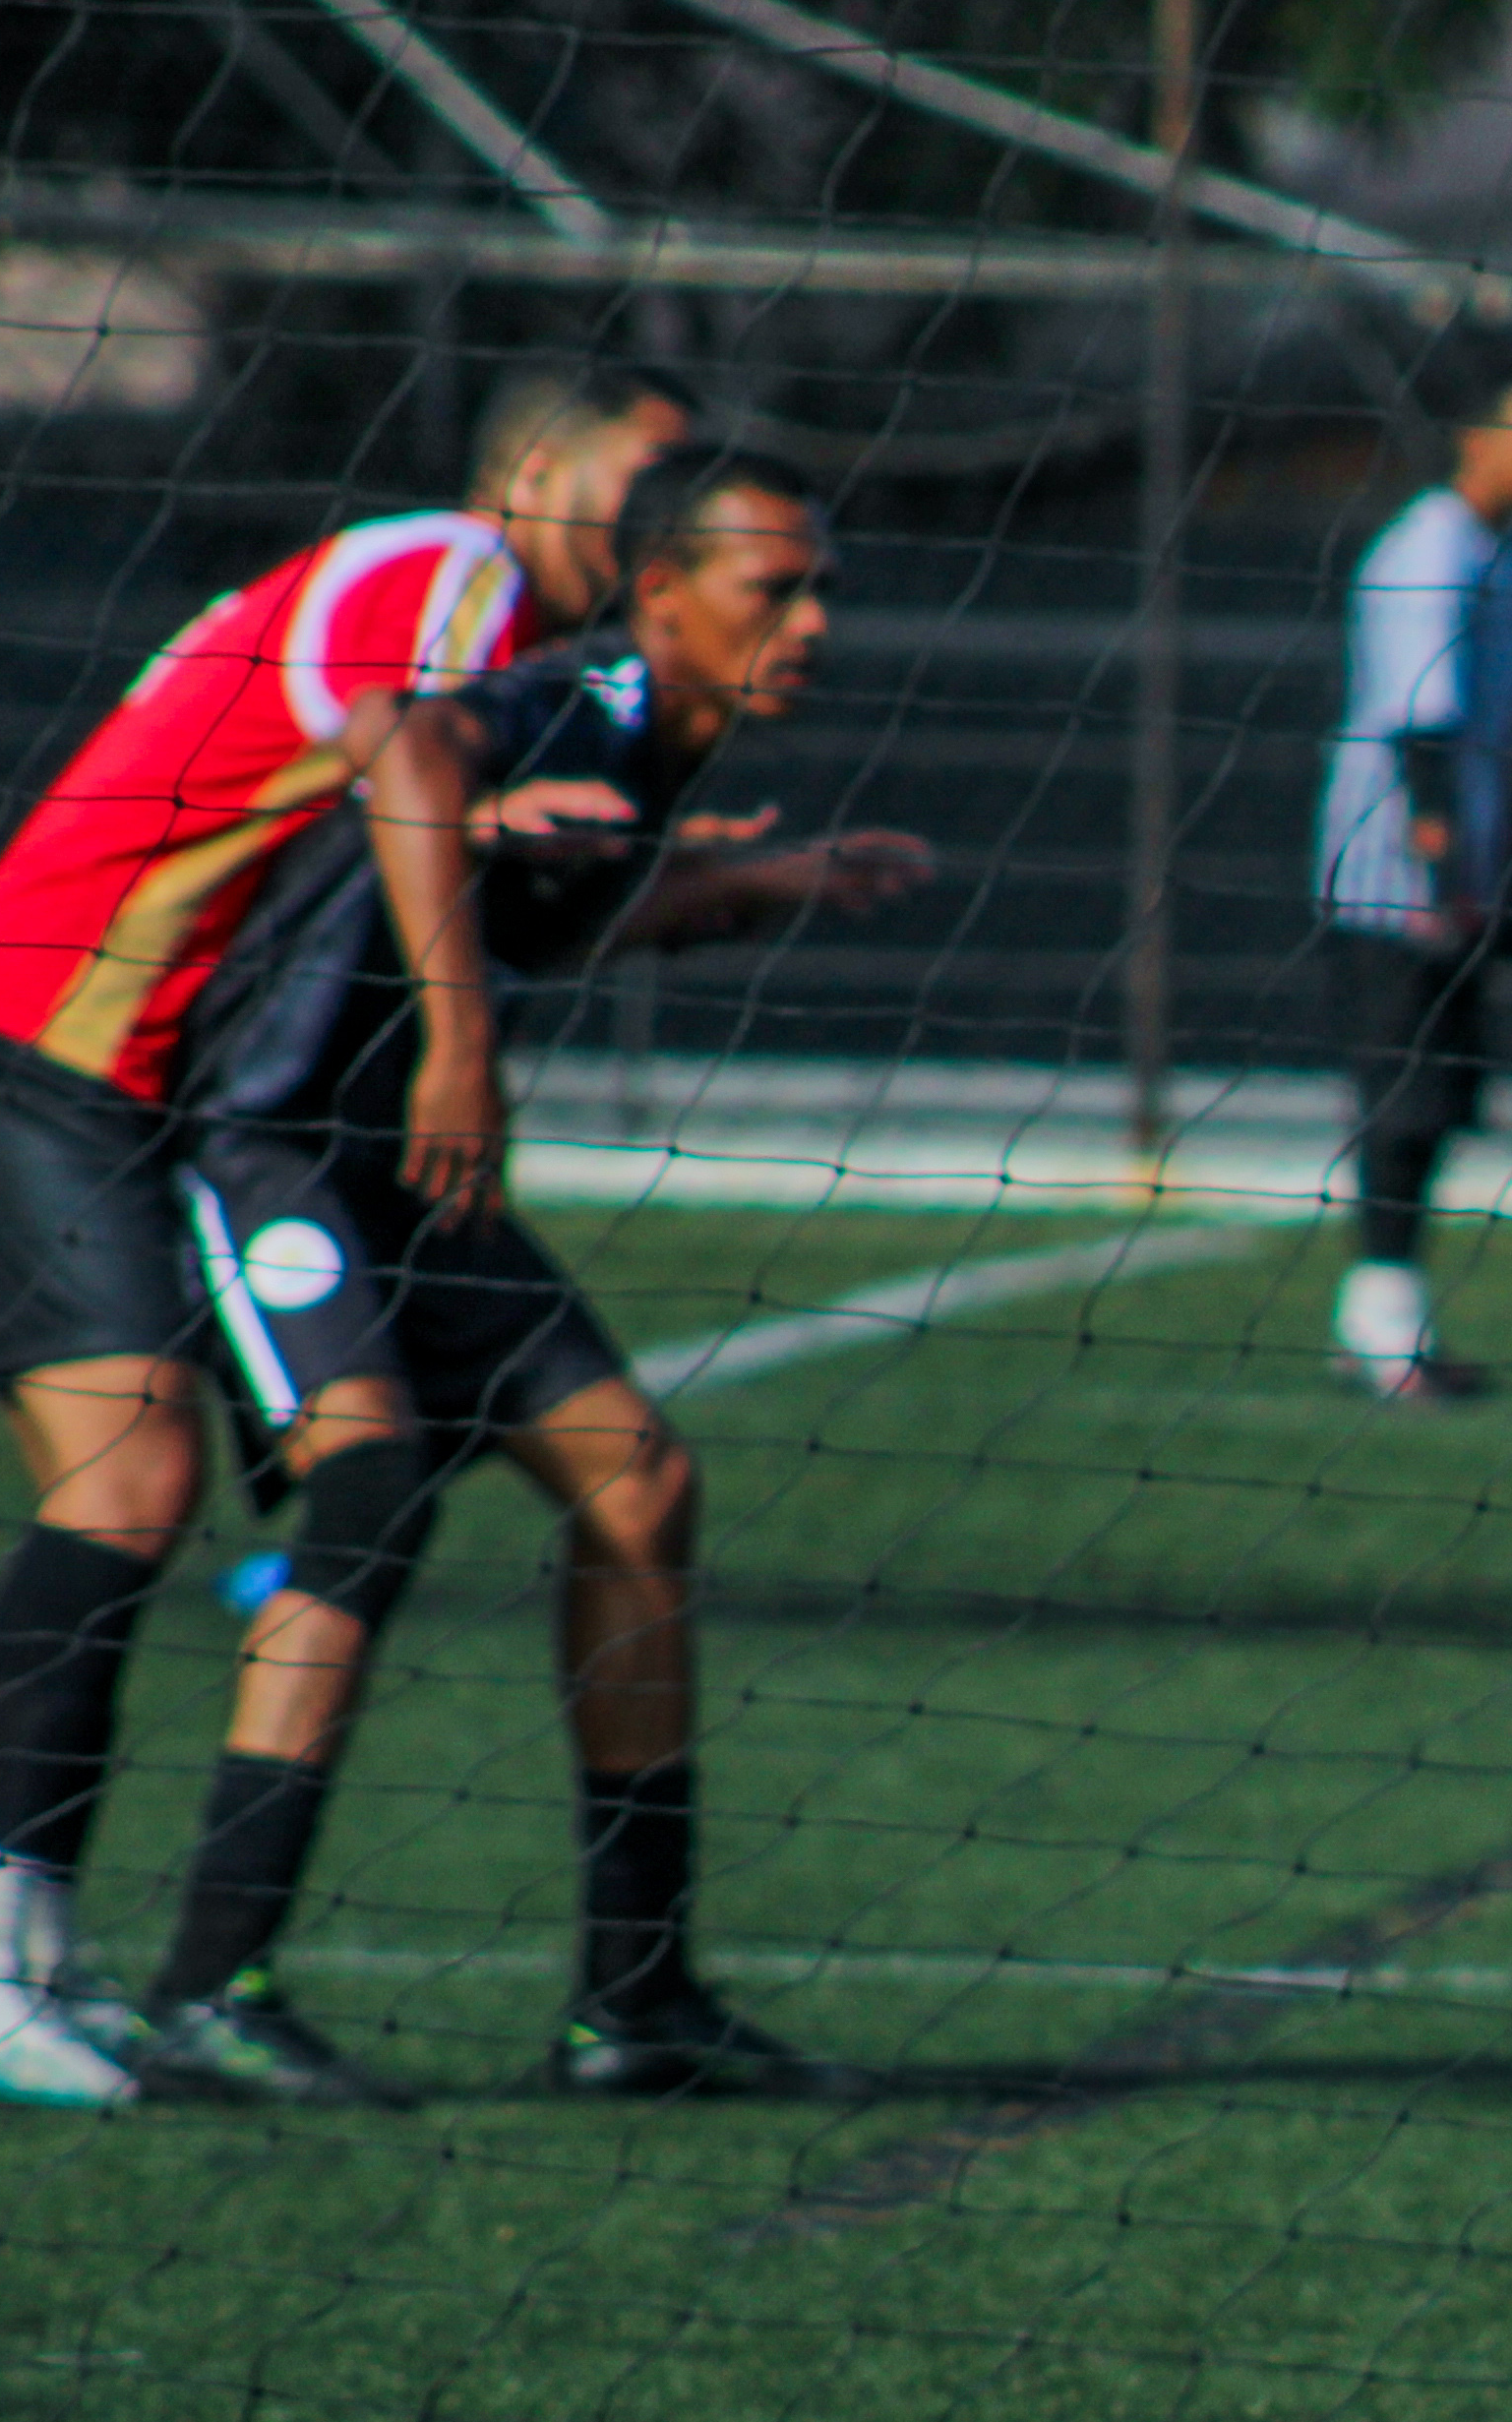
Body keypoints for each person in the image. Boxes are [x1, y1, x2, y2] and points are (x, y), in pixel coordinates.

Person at [0, 363, 691, 2107]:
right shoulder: (457, 570)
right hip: (37, 1039)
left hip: (108, 1073)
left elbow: (392, 791)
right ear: (540, 471)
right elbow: (398, 749)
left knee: (138, 1491)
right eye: (643, 482)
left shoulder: (506, 643)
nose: (656, 527)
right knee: (132, 1481)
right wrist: (463, 1041)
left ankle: (25, 1950)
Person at [126, 446, 934, 2106]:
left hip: (406, 1183)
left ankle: (636, 2003)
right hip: (273, 1144)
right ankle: (211, 1981)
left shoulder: (658, 746)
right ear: (659, 593)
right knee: (374, 1484)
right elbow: (412, 748)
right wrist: (462, 1048)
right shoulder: (574, 698)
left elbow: (528, 900)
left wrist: (739, 891)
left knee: (642, 1488)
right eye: (772, 587)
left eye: (822, 586)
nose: (812, 620)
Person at [1316, 373, 1512, 1404]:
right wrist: (1442, 869)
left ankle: (1386, 1316)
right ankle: (1382, 1328)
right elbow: (1418, 715)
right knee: (1403, 1089)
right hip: (1394, 870)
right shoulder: (1431, 547)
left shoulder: (1511, 548)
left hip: (1455, 857)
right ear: (1477, 439)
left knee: (1445, 1091)